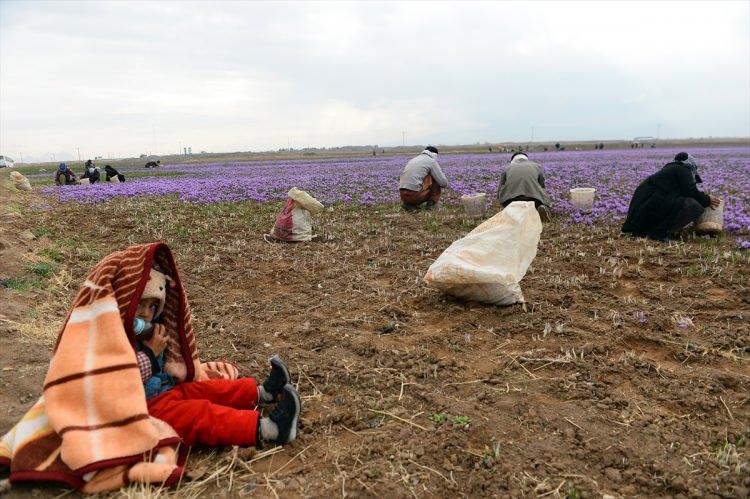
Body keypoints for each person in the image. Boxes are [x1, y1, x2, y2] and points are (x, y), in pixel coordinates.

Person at [0, 242, 301, 492]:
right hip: (144, 409)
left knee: (204, 389)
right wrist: (148, 353)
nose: (145, 314)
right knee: (199, 415)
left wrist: (172, 361)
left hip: (164, 391)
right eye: (139, 305)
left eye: (152, 307)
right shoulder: (107, 335)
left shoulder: (149, 329)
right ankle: (268, 429)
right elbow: (114, 382)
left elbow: (171, 366)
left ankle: (260, 392)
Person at [621, 152, 721, 242]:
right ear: (692, 166)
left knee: (685, 202)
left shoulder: (670, 170)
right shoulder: (682, 168)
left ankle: (650, 231)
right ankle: (659, 233)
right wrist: (707, 199)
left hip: (639, 217)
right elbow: (691, 192)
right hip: (650, 208)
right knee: (694, 205)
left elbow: (683, 193)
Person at [496, 152, 553, 222]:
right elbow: (542, 186)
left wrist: (501, 200)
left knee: (512, 208)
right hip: (533, 199)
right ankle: (539, 208)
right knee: (542, 202)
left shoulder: (507, 168)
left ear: (512, 161)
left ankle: (513, 211)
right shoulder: (537, 166)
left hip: (511, 200)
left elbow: (499, 190)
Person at [398, 146, 448, 211]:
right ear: (435, 155)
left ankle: (409, 205)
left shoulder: (413, 159)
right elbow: (443, 183)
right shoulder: (431, 161)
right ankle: (431, 205)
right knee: (435, 178)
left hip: (403, 196)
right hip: (415, 196)